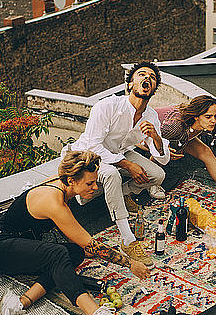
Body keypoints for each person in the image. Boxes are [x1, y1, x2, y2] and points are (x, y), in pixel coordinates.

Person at [0, 150, 150, 315]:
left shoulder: (64, 186)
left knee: (74, 253)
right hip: (2, 249)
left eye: (95, 181)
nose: (95, 187)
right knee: (58, 254)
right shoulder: (54, 201)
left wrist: (84, 248)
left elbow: (73, 234)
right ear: (71, 180)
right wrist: (131, 264)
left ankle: (19, 304)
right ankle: (94, 311)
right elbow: (90, 243)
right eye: (89, 183)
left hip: (26, 245)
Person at [61, 61, 170, 268]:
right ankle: (128, 240)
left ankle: (123, 192)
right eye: (141, 75)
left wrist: (155, 137)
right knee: (111, 174)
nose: (147, 78)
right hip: (87, 155)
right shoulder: (107, 106)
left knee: (157, 175)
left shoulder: (151, 116)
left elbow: (163, 159)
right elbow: (93, 146)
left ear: (154, 88)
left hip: (118, 152)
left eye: (152, 77)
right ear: (130, 83)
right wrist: (128, 165)